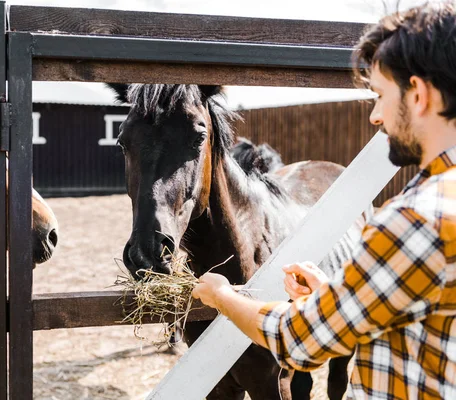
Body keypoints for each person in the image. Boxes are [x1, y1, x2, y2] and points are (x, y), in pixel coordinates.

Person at [192, 3, 456, 399]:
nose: (376, 117)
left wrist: (221, 295)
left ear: (417, 94)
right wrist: (337, 293)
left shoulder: (415, 219)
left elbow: (299, 340)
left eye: (380, 96)